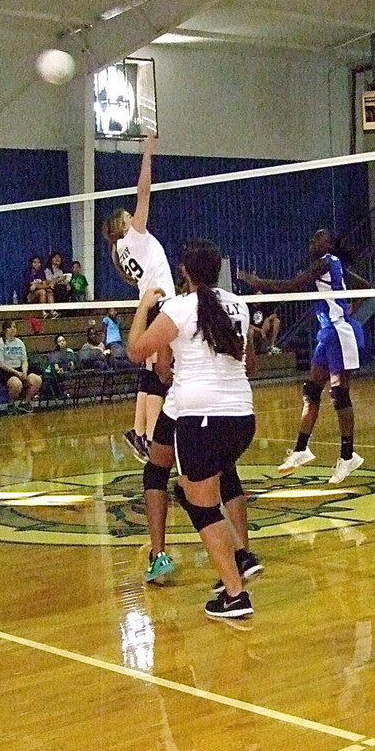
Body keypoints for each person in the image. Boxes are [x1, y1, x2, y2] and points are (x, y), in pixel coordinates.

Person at [128, 240, 256, 618]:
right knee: (200, 491)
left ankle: (235, 594)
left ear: (185, 271)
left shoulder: (179, 308)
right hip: (242, 416)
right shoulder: (239, 306)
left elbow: (137, 351)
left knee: (200, 506)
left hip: (202, 418)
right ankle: (240, 560)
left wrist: (143, 307)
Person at [239, 228, 369, 485]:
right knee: (311, 391)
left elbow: (292, 285)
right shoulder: (333, 266)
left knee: (339, 393)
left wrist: (257, 282)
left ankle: (347, 455)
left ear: (328, 244)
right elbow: (364, 286)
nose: (312, 241)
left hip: (340, 331)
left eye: (317, 238)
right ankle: (301, 449)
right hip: (328, 332)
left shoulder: (326, 262)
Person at [102, 135, 175, 462]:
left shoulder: (119, 249)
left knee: (148, 374)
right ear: (124, 224)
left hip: (150, 306)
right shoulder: (134, 236)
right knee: (160, 374)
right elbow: (143, 191)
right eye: (129, 216)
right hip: (162, 305)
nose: (134, 215)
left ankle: (139, 432)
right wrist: (147, 152)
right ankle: (152, 438)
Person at [0, 320, 42, 414]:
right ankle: (11, 404)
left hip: (19, 369)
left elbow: (24, 360)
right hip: (4, 371)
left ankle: (25, 403)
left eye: (15, 327)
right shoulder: (0, 343)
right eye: (11, 327)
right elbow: (1, 364)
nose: (13, 329)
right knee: (16, 384)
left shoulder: (19, 343)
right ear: (5, 330)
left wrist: (24, 372)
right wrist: (16, 373)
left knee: (36, 380)